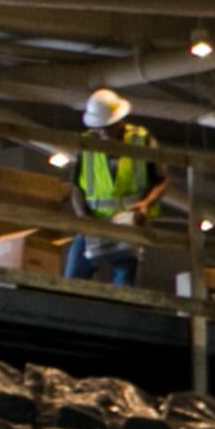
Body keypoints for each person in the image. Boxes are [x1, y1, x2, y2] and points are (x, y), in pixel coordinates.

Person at [64, 87, 160, 286]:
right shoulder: (87, 144)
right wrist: (83, 217)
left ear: (118, 121)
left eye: (106, 127)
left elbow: (161, 179)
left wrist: (145, 204)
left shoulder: (141, 140)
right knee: (72, 280)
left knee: (123, 283)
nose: (102, 131)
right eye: (98, 127)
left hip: (127, 223)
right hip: (94, 222)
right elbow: (75, 187)